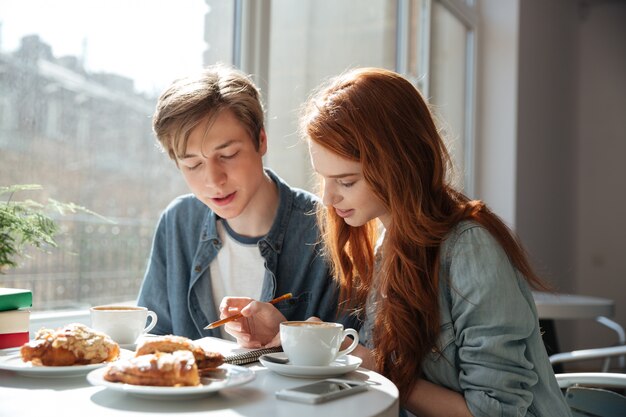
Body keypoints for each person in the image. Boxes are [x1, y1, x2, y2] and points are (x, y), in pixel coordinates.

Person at [232, 67, 572, 417]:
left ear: (398, 166)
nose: (330, 199)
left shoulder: (471, 249)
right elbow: (378, 361)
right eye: (325, 180)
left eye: (346, 181)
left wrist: (371, 365)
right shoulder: (386, 242)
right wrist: (291, 336)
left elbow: (494, 412)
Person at [136, 64, 354, 343]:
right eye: (192, 164)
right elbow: (152, 336)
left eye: (227, 155)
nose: (214, 180)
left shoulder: (325, 227)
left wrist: (289, 339)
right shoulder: (178, 221)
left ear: (261, 140)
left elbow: (350, 359)